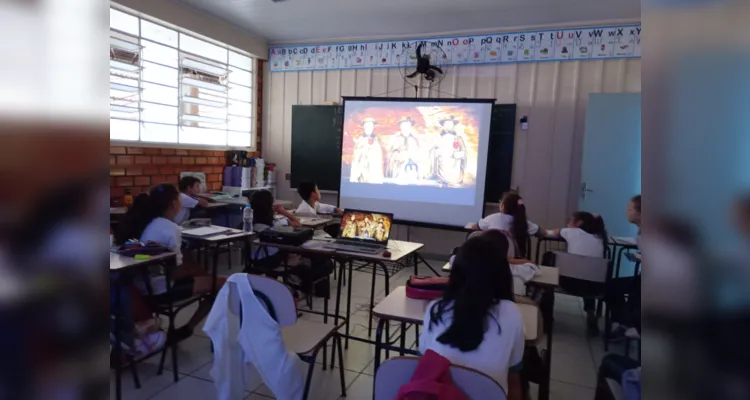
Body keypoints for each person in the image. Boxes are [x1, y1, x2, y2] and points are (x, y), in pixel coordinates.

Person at [114, 183, 226, 342]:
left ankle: (181, 329)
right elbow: (175, 272)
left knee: (201, 272)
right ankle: (188, 328)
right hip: (161, 290)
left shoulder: (145, 222)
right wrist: (197, 272)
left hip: (139, 288)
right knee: (222, 283)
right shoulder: (169, 228)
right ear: (175, 204)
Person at [420, 230, 524, 400]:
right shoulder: (512, 313)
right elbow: (514, 376)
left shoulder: (435, 308)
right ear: (502, 274)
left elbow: (425, 363)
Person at [541, 211, 608, 333]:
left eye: (571, 220)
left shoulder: (570, 232)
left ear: (579, 223)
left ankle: (546, 317)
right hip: (594, 287)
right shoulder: (601, 238)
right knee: (588, 274)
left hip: (568, 283)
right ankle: (591, 313)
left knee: (549, 262)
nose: (568, 222)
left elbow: (548, 233)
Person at [470, 192, 539, 257]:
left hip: (490, 260)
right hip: (514, 263)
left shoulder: (493, 217)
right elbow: (542, 232)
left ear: (502, 205)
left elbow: (474, 227)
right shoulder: (523, 222)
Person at [428, 115, 467, 187]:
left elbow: (464, 152)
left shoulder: (458, 138)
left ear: (453, 125)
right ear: (443, 125)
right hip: (441, 169)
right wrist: (435, 153)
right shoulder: (438, 137)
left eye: (450, 124)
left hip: (455, 169)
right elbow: (429, 150)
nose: (448, 125)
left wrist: (459, 154)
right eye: (446, 123)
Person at [349, 117, 385, 184]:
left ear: (373, 127)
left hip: (374, 173)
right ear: (364, 127)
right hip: (362, 173)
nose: (368, 128)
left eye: (370, 126)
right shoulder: (360, 140)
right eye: (367, 126)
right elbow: (356, 158)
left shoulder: (377, 140)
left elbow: (379, 157)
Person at [386, 116, 422, 180]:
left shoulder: (414, 139)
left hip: (412, 168)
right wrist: (399, 157)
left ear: (410, 126)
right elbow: (391, 154)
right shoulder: (396, 139)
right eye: (404, 125)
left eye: (408, 125)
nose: (406, 127)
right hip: (399, 168)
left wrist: (414, 157)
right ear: (400, 126)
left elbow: (419, 153)